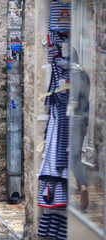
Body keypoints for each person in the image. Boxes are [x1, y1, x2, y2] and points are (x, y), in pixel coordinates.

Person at [69, 47, 90, 210]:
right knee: (76, 157)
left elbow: (71, 101)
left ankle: (81, 187)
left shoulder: (69, 76)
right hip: (81, 120)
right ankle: (81, 187)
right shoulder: (85, 75)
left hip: (71, 120)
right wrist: (87, 124)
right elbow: (86, 102)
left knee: (70, 157)